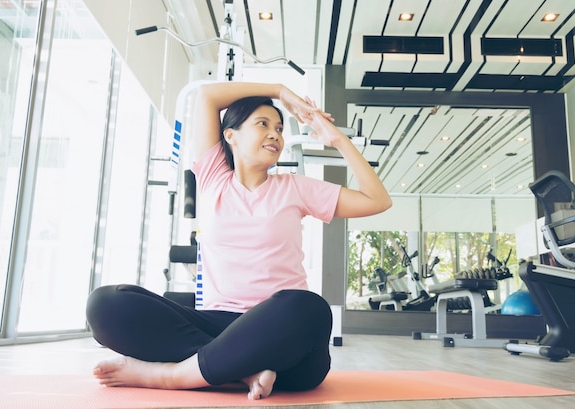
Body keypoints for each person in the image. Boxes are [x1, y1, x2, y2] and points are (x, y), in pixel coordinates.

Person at [85, 82, 392, 400]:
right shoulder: (213, 176)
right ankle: (240, 371)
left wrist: (337, 139)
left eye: (279, 128)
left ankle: (172, 375)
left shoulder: (296, 188)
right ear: (230, 135)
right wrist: (280, 92)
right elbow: (206, 96)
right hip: (219, 326)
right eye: (263, 124)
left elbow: (377, 200)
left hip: (280, 335)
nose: (275, 134)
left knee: (310, 307)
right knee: (106, 303)